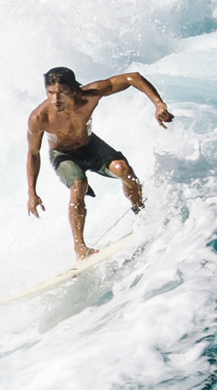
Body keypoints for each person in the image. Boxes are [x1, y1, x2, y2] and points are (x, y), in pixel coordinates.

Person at [25, 66, 173, 260]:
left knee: (125, 170)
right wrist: (32, 193)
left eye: (62, 93)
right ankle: (80, 248)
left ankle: (142, 214)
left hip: (89, 144)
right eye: (50, 93)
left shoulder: (90, 95)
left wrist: (158, 104)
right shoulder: (39, 118)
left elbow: (132, 78)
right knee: (79, 185)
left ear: (74, 90)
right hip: (63, 154)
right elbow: (33, 154)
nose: (55, 99)